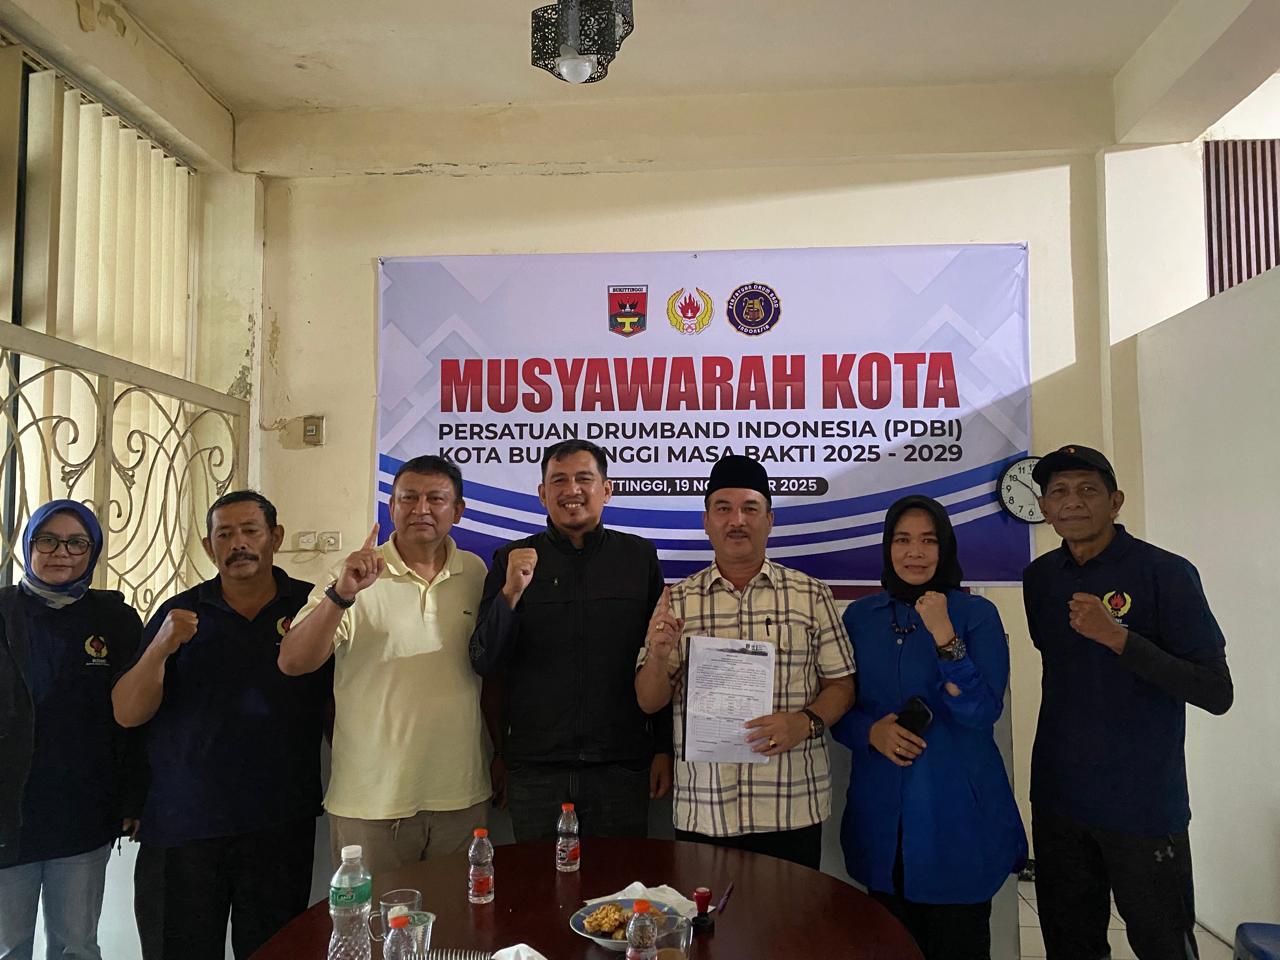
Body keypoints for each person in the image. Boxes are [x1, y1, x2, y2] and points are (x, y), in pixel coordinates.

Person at [1024, 444, 1232, 960]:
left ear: (1115, 502)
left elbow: (1215, 691)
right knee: (1071, 946)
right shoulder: (1040, 579)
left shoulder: (1166, 573)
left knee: (1164, 947)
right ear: (1045, 508)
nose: (1073, 501)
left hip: (1142, 804)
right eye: (1059, 492)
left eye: (1087, 489)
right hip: (1059, 801)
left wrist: (1119, 638)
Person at [112, 490, 330, 960]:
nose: (238, 544)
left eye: (251, 531)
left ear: (276, 537)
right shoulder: (180, 612)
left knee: (275, 953)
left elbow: (342, 703)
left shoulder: (311, 606)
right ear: (209, 547)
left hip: (278, 824)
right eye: (224, 535)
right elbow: (127, 712)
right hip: (183, 824)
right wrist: (160, 648)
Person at [635, 454, 855, 869]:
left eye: (750, 509)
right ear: (706, 521)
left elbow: (842, 686)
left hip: (790, 806)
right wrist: (659, 656)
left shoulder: (811, 596)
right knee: (706, 914)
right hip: (706, 811)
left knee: (790, 914)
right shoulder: (677, 601)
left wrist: (805, 722)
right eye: (723, 508)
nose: (737, 520)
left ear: (769, 520)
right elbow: (649, 701)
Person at [833, 494, 1026, 960]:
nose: (914, 552)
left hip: (955, 817)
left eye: (928, 540)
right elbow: (841, 708)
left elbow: (981, 712)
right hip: (882, 819)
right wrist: (869, 733)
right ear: (888, 547)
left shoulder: (977, 615)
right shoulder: (860, 618)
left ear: (945, 548)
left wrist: (944, 634)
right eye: (902, 540)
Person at [280, 455, 493, 874]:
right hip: (371, 803)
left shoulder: (475, 572)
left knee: (457, 915)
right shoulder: (353, 573)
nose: (421, 509)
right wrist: (342, 595)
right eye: (408, 498)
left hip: (460, 796)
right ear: (392, 507)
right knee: (376, 917)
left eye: (436, 499)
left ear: (458, 510)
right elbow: (293, 662)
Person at [469, 439, 671, 841]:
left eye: (584, 478)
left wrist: (663, 747)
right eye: (558, 480)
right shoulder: (510, 559)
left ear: (606, 489)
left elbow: (661, 655)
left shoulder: (638, 557)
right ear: (543, 494)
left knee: (621, 879)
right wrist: (511, 593)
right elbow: (484, 660)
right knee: (539, 880)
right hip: (535, 769)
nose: (571, 490)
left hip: (621, 765)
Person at [0, 500, 143, 960]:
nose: (61, 552)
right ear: (28, 546)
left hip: (82, 809)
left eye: (77, 542)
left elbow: (136, 718)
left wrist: (132, 798)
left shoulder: (114, 620)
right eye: (48, 540)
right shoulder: (3, 611)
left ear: (93, 550)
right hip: (9, 811)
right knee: (7, 945)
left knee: (76, 945)